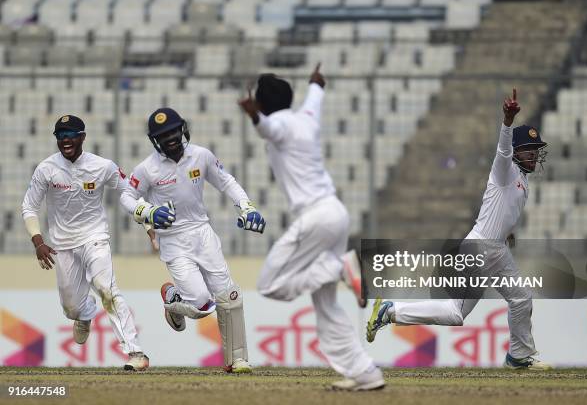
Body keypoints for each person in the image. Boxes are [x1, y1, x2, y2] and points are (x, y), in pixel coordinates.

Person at [366, 89, 552, 370]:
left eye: (536, 151)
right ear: (517, 151)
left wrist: (505, 233)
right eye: (530, 150)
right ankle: (390, 311)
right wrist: (507, 122)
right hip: (479, 248)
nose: (535, 156)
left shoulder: (522, 179)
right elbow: (503, 150)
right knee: (455, 314)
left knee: (521, 298)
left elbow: (501, 210)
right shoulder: (504, 170)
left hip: (496, 249)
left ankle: (519, 356)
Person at [238, 64, 385, 390]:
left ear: (262, 105)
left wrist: (254, 118)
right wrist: (316, 84)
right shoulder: (306, 115)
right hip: (335, 213)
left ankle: (339, 268)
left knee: (270, 284)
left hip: (316, 217)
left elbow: (268, 130)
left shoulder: (278, 123)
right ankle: (365, 373)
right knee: (326, 307)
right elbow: (316, 93)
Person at [120, 107, 265, 373]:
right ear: (155, 140)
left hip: (202, 233)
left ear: (182, 129)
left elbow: (227, 182)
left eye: (174, 132)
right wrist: (148, 212)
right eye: (163, 136)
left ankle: (237, 359)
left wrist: (247, 207)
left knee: (228, 295)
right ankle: (173, 300)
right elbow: (126, 197)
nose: (171, 138)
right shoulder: (147, 168)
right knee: (201, 304)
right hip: (173, 240)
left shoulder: (201, 156)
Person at [21, 115, 149, 371]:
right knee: (71, 308)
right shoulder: (46, 169)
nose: (65, 139)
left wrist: (145, 219)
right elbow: (29, 207)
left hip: (95, 238)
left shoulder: (103, 166)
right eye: (60, 135)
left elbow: (127, 192)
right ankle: (84, 314)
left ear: (82, 137)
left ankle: (136, 353)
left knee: (107, 290)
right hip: (62, 245)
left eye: (70, 135)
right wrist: (38, 241)